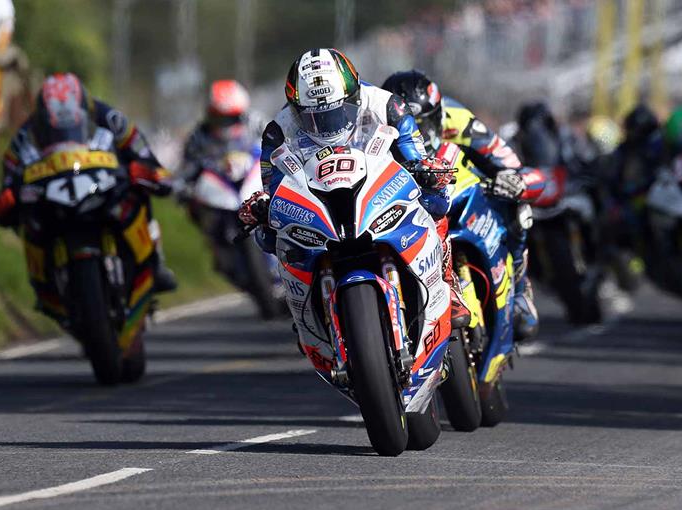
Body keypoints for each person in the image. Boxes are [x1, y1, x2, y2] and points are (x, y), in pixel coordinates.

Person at [237, 48, 478, 328]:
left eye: (336, 113)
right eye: (314, 117)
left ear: (353, 97)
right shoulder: (278, 131)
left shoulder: (388, 106)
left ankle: (448, 284)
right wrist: (263, 205)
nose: (326, 126)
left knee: (435, 199)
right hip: (319, 201)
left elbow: (415, 155)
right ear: (296, 109)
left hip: (380, 188)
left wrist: (425, 170)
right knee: (269, 235)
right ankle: (305, 312)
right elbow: (274, 185)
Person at [380, 70, 545, 341]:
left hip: (465, 191)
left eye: (423, 125)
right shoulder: (377, 127)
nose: (418, 134)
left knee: (519, 209)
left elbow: (512, 164)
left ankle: (520, 286)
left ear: (437, 115)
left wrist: (514, 181)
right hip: (413, 203)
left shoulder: (458, 120)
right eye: (411, 126)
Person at [0, 72, 177, 291]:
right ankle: (45, 283)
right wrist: (8, 196)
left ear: (84, 108)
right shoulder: (26, 133)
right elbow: (10, 172)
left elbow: (141, 150)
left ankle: (156, 259)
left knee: (141, 192)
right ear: (43, 115)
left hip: (104, 180)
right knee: (28, 220)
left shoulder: (110, 118)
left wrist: (148, 170)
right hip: (53, 190)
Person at [178, 79, 259, 191]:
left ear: (242, 116)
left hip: (250, 193)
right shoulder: (198, 136)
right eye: (218, 118)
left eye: (230, 118)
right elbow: (187, 172)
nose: (224, 125)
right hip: (213, 198)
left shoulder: (254, 128)